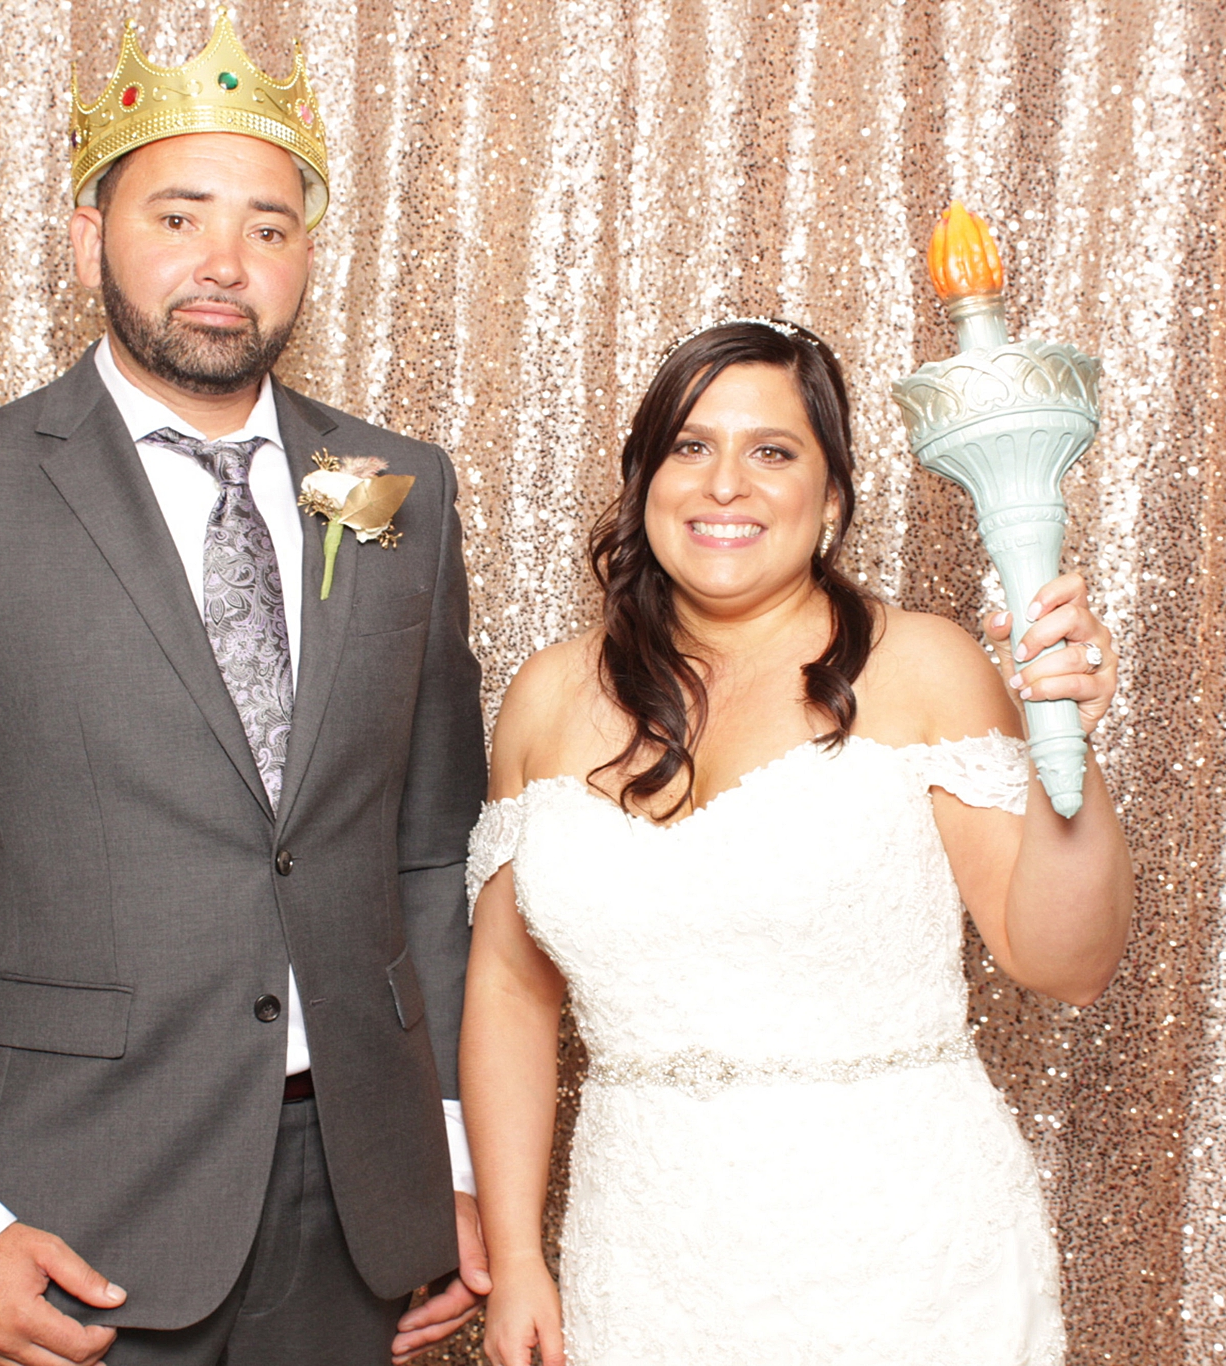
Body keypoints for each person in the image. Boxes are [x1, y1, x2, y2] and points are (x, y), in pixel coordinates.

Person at [0, 12, 489, 1365]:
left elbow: (432, 848)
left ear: (308, 255)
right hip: (71, 1215)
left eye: (269, 226)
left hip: (361, 1214)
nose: (225, 264)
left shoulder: (400, 491)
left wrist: (452, 1154)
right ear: (91, 234)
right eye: (181, 215)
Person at [460, 319, 1134, 1365]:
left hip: (903, 1259)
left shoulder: (920, 666)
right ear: (644, 482)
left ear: (828, 500)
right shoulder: (547, 696)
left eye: (770, 451)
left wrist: (1067, 755)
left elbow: (1066, 961)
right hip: (641, 1259)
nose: (724, 482)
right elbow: (507, 992)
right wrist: (516, 1261)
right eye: (689, 446)